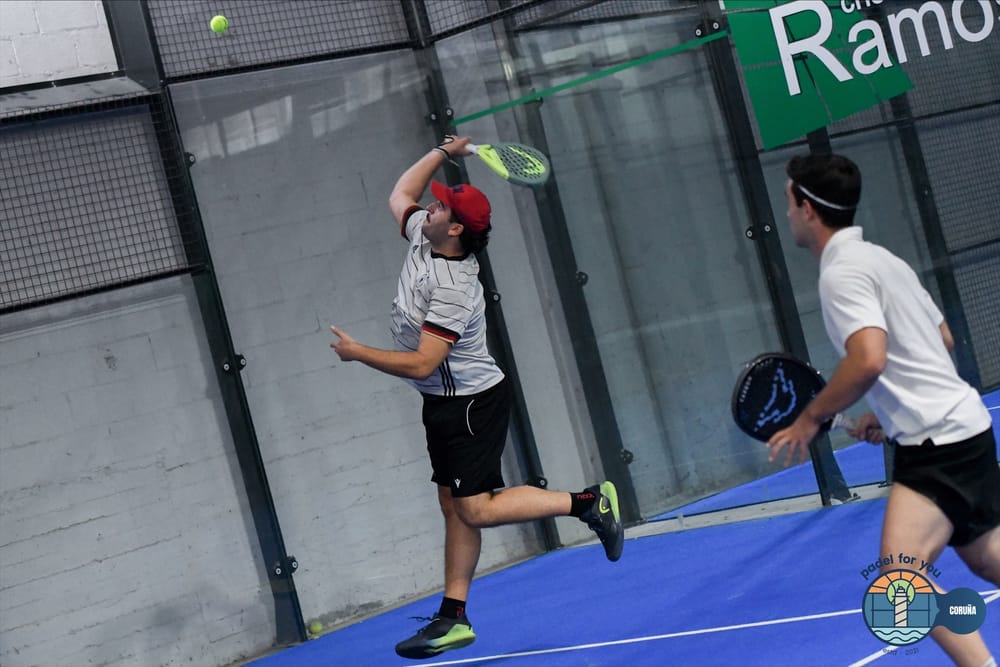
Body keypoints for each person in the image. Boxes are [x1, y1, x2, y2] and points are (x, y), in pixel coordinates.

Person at [329, 134, 624, 660]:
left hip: (470, 403)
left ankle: (588, 503)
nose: (431, 205)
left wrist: (358, 353)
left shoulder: (455, 288)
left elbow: (423, 363)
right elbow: (400, 193)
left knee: (477, 509)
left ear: (457, 229)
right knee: (453, 506)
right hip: (441, 402)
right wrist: (444, 152)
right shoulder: (424, 233)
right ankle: (453, 617)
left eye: (443, 206)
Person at [768, 153, 999, 667]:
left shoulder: (842, 274)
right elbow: (942, 338)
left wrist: (810, 418)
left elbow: (868, 358)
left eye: (788, 202)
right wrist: (886, 411)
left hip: (937, 443)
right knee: (986, 558)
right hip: (967, 427)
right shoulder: (884, 260)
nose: (786, 214)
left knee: (901, 581)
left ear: (807, 209)